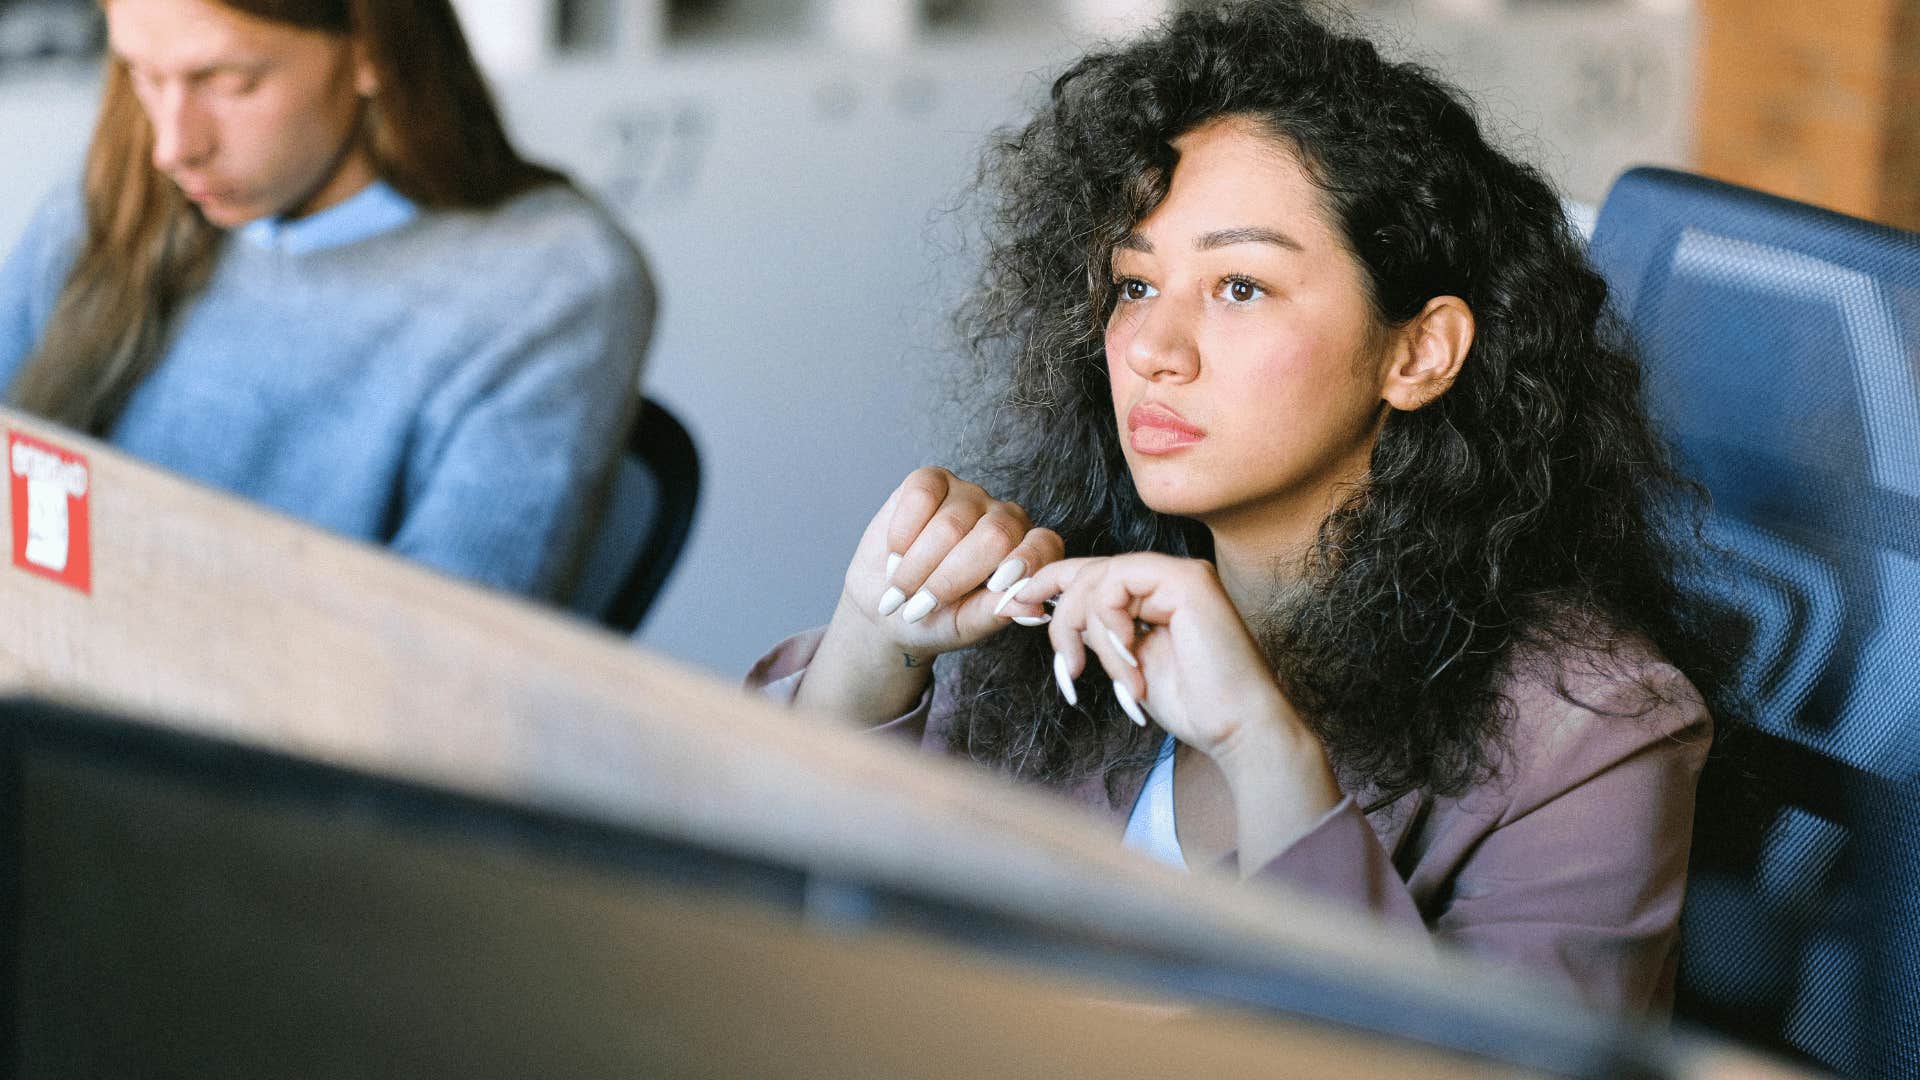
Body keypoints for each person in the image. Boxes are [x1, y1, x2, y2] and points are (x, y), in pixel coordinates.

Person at [751, 0, 1735, 1015]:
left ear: (1418, 352)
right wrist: (868, 666)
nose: (1151, 349)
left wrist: (1267, 751)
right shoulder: (1049, 606)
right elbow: (741, 943)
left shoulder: (1590, 736)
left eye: (1240, 288)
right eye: (1134, 285)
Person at [0, 0, 654, 603]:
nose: (174, 147)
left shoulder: (546, 284)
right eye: (141, 73)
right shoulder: (112, 192)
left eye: (232, 82)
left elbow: (435, 674)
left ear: (372, 50)